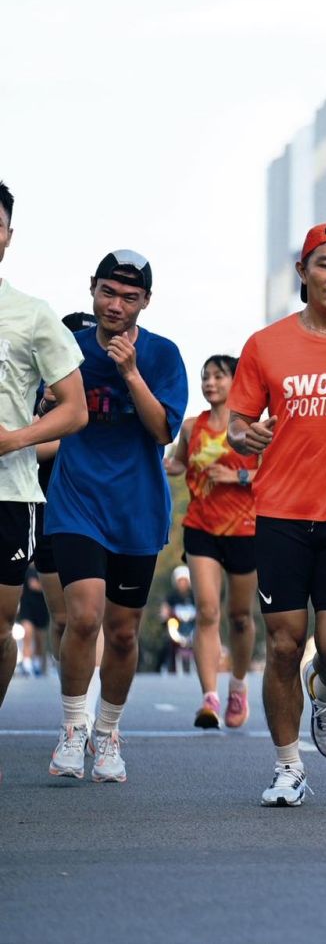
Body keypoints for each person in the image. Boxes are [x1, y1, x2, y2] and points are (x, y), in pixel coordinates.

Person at [230, 222, 326, 807]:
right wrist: (248, 437)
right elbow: (238, 426)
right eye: (325, 264)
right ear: (303, 271)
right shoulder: (265, 344)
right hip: (281, 514)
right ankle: (288, 766)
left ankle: (324, 690)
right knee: (284, 643)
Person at [46, 249, 187, 783]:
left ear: (145, 302)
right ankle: (73, 727)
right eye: (108, 292)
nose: (116, 304)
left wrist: (129, 372)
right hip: (77, 500)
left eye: (130, 297)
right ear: (92, 289)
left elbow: (162, 430)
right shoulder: (67, 349)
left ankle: (107, 733)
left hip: (137, 507)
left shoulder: (163, 355)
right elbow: (48, 411)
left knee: (123, 633)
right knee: (83, 616)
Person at [0, 180, 88, 724]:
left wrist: (13, 439)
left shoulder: (32, 314)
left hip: (9, 493)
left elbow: (74, 409)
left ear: (8, 237)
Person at [165, 354, 259, 729]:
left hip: (246, 530)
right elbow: (178, 463)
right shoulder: (191, 427)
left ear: (236, 381)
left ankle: (237, 685)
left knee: (239, 617)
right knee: (206, 611)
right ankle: (209, 699)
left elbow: (274, 470)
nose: (210, 384)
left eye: (219, 377)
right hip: (201, 527)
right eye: (205, 377)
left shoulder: (253, 428)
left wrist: (237, 475)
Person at [30, 313, 99, 663]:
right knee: (62, 619)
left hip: (95, 511)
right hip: (48, 510)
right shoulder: (42, 390)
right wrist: (48, 411)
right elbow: (28, 447)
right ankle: (72, 701)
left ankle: (86, 706)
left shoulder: (107, 389)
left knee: (89, 618)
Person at [158, 565, 198, 674]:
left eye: (184, 581)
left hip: (192, 628)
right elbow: (164, 609)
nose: (182, 583)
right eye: (180, 581)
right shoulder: (171, 597)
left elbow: (202, 608)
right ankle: (163, 666)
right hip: (176, 628)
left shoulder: (194, 596)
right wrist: (164, 615)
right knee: (166, 646)